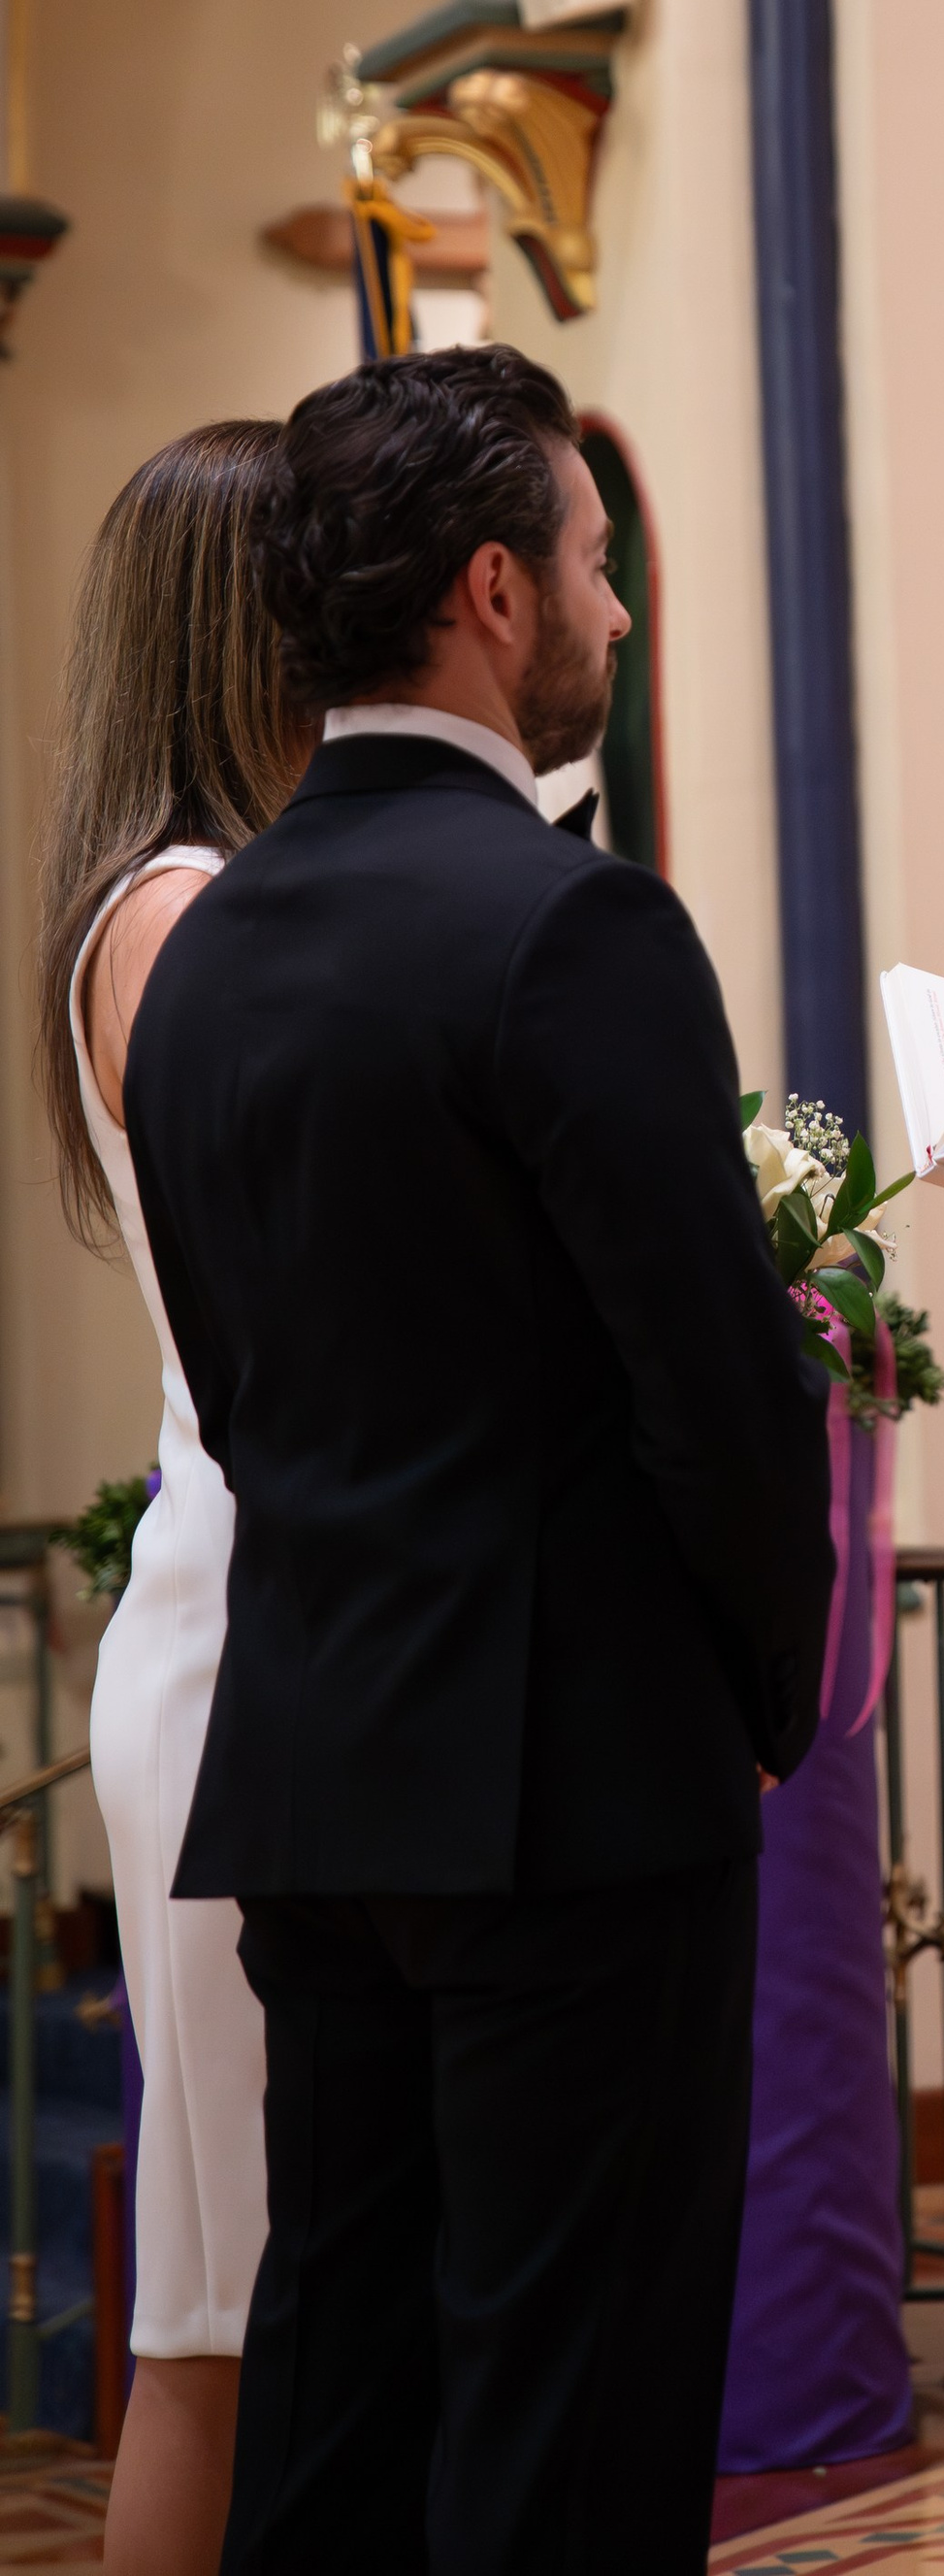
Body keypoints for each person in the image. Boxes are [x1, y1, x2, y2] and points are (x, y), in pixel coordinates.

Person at [122, 346, 831, 2576]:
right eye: (597, 564)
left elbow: (243, 1392)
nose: (616, 611)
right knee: (567, 2420)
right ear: (494, 592)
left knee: (335, 2405)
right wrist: (760, 1693)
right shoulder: (568, 918)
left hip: (316, 1769)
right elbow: (717, 1384)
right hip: (570, 1785)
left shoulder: (203, 949)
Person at [34, 425, 307, 2576]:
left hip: (257, 1612)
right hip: (244, 1644)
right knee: (216, 2319)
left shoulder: (191, 895)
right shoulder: (184, 910)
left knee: (260, 2298)